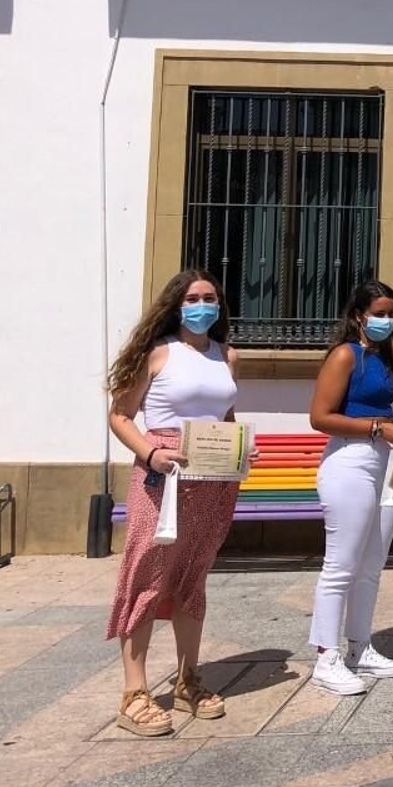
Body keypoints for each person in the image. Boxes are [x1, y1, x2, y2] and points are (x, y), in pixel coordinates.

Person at [105, 269, 241, 736]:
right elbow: (121, 415)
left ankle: (188, 679)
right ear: (176, 305)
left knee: (192, 575)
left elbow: (226, 415)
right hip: (161, 475)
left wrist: (240, 449)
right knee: (147, 571)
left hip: (213, 478)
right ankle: (134, 691)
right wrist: (151, 453)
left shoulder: (226, 355)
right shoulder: (157, 352)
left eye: (211, 298)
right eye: (193, 298)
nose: (203, 306)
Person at [307, 280, 393, 695]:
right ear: (359, 315)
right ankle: (326, 656)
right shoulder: (345, 355)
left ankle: (360, 646)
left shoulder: (382, 358)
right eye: (379, 314)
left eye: (392, 314)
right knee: (341, 564)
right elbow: (320, 417)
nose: (387, 321)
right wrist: (377, 428)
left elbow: (377, 409)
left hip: (384, 463)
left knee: (371, 563)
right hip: (350, 461)